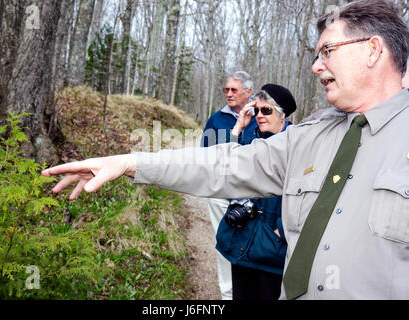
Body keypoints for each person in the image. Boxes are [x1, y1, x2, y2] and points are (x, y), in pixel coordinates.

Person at [42, 0, 409, 299]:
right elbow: (223, 165)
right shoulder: (311, 137)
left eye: (328, 51)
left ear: (373, 50)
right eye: (316, 55)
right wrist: (131, 162)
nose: (316, 66)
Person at [216, 84, 297, 300]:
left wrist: (281, 229)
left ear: (282, 114)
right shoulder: (250, 138)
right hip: (242, 240)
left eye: (266, 110)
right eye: (257, 110)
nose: (260, 116)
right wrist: (238, 127)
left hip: (273, 249)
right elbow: (224, 169)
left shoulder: (297, 144)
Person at [200, 71, 258, 300]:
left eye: (234, 89)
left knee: (250, 242)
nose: (229, 94)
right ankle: (228, 294)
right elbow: (205, 155)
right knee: (225, 240)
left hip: (252, 194)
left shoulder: (260, 116)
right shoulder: (217, 119)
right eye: (226, 90)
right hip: (221, 192)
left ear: (248, 92)